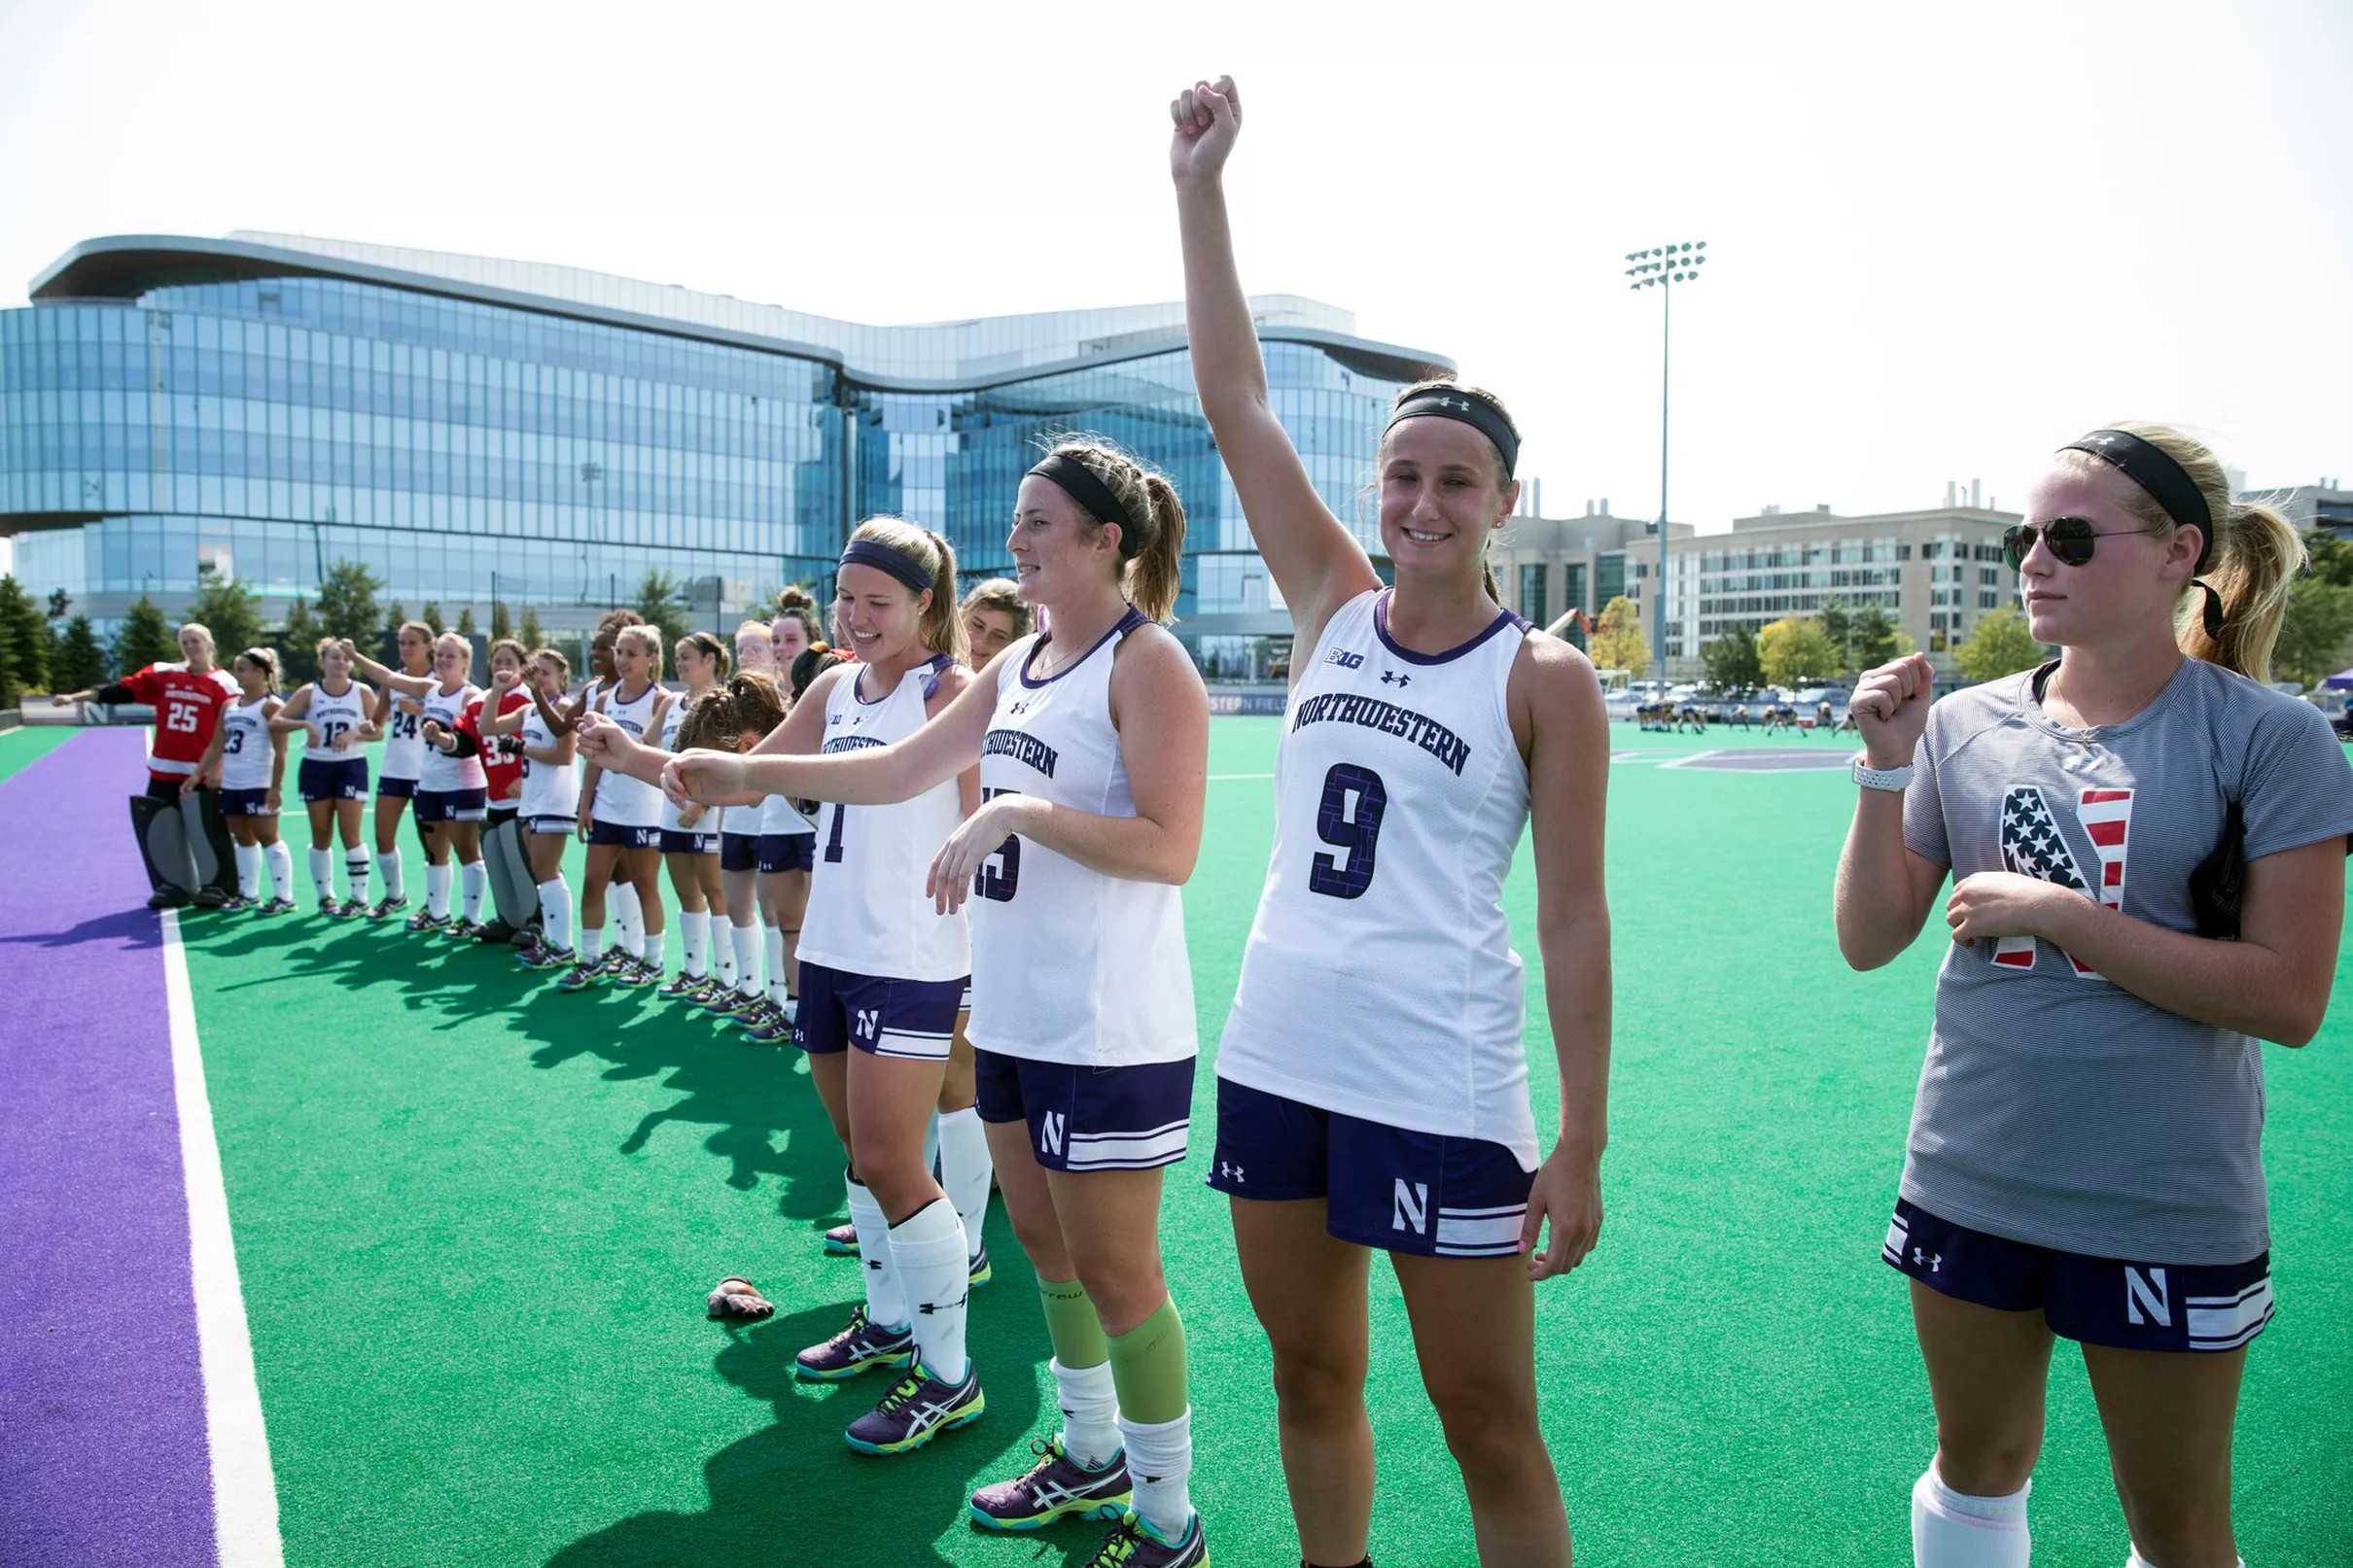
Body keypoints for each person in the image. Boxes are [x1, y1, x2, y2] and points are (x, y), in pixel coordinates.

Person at [1172, 76, 1608, 1568]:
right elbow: (1235, 400)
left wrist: (1585, 1136)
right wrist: (1201, 187)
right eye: (1407, 477)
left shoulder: (1542, 676)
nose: (1426, 503)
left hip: (1442, 1067)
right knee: (1308, 1373)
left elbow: (1573, 915)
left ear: (1502, 500)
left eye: (1458, 483)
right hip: (1280, 1045)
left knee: (1484, 1416)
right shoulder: (1330, 609)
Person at [656, 436, 1209, 1563]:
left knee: (1117, 1272)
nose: (1013, 542)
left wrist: (1011, 814)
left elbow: (1170, 847)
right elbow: (896, 769)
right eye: (1015, 521)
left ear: (1106, 540)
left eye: (1037, 523)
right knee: (1050, 1258)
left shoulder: (1147, 662)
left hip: (1107, 1022)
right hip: (1010, 1008)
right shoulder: (1021, 665)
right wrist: (750, 771)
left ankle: (1166, 1515)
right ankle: (1090, 1454)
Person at [1835, 424, 2353, 1568]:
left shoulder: (2270, 738)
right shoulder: (1963, 724)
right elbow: (1869, 939)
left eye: (2068, 537)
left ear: (2177, 552)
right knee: (1973, 1469)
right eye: (2027, 535)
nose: (2033, 559)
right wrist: (1882, 766)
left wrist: (2066, 915)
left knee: (2174, 1528)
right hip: (1970, 1171)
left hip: (2160, 1194)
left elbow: (2286, 996)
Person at [594, 520, 993, 1438]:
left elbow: (939, 806)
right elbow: (755, 777)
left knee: (897, 1160)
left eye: (877, 602)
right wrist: (641, 759)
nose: (854, 618)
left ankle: (949, 1373)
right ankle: (889, 1321)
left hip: (911, 958)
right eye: (845, 598)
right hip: (833, 950)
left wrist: (975, 955)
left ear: (926, 602)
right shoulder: (832, 684)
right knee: (860, 1155)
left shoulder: (950, 688)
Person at [53, 620, 241, 909]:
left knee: (207, 829)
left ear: (209, 643)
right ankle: (173, 884)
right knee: (162, 829)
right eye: (185, 641)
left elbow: (231, 730)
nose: (191, 647)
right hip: (165, 768)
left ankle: (219, 885)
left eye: (196, 641)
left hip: (200, 770)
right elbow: (120, 690)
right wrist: (72, 697)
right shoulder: (166, 674)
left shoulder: (224, 683)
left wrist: (218, 769)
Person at [344, 632, 489, 934]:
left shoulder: (471, 696)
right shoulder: (430, 688)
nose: (443, 660)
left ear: (465, 661)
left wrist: (442, 737)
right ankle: (439, 914)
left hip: (462, 785)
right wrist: (355, 657)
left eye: (451, 655)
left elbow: (476, 738)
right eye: (440, 654)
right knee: (436, 852)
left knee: (467, 852)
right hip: (430, 783)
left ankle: (472, 918)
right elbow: (387, 677)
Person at [560, 625, 672, 990]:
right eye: (619, 652)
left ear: (651, 658)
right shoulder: (604, 699)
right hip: (607, 808)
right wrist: (585, 804)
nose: (622, 660)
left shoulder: (660, 700)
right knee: (593, 882)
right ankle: (590, 958)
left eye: (631, 654)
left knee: (645, 885)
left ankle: (652, 960)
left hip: (644, 810)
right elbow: (594, 757)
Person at [427, 639, 536, 943]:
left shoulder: (529, 700)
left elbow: (545, 745)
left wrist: (528, 779)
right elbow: (464, 743)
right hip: (496, 797)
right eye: (497, 662)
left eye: (509, 662)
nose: (502, 668)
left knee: (525, 859)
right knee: (497, 857)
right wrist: (442, 739)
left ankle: (537, 920)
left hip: (526, 798)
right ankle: (509, 917)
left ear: (521, 668)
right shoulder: (479, 703)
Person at [703, 622, 784, 1024]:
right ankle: (747, 988)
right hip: (736, 822)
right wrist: (719, 819)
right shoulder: (728, 707)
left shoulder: (786, 705)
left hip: (770, 823)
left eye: (757, 648)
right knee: (737, 907)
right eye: (743, 649)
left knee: (776, 914)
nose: (749, 656)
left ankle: (780, 995)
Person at [490, 647, 584, 970]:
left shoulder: (565, 707)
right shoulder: (529, 710)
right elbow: (487, 726)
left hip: (554, 800)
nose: (539, 677)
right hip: (531, 801)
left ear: (561, 677)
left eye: (546, 672)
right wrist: (498, 690)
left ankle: (563, 945)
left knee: (547, 872)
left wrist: (523, 748)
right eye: (535, 671)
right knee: (540, 874)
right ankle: (552, 940)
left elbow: (564, 756)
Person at [270, 637, 379, 916]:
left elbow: (377, 731)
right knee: (321, 833)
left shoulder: (362, 691)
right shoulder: (309, 692)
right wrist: (305, 723)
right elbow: (277, 721)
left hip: (351, 766)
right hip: (316, 767)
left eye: (345, 658)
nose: (341, 663)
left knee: (350, 833)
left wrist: (355, 733)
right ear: (322, 661)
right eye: (334, 657)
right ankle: (326, 897)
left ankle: (359, 898)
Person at [656, 632, 733, 1002]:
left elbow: (731, 762)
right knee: (687, 895)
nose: (680, 664)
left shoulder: (722, 703)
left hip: (706, 817)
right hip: (671, 815)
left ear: (709, 660)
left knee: (716, 894)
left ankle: (728, 977)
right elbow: (649, 749)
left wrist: (702, 805)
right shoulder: (671, 702)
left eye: (687, 657)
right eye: (677, 657)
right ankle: (694, 972)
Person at [192, 646, 295, 914]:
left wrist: (275, 787)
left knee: (267, 836)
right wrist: (197, 774)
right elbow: (216, 746)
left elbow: (281, 752)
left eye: (242, 669)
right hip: (233, 784)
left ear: (259, 673)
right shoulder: (229, 705)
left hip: (258, 782)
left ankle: (284, 897)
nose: (237, 674)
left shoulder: (271, 706)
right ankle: (249, 894)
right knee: (242, 837)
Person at [361, 621, 436, 919]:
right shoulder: (392, 680)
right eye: (402, 643)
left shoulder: (438, 680)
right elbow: (377, 724)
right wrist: (370, 726)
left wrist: (419, 710)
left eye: (412, 643)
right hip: (394, 768)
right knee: (383, 836)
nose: (405, 648)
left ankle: (435, 902)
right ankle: (395, 895)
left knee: (431, 843)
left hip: (427, 771)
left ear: (429, 645)